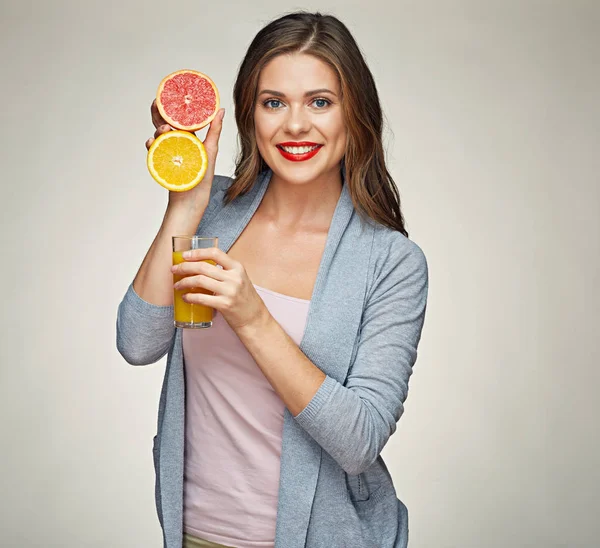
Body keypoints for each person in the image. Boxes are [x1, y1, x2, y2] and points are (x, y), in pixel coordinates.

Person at [117, 10, 428, 548]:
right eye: (274, 102)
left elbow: (359, 441)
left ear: (354, 114)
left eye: (320, 102)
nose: (295, 125)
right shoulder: (213, 214)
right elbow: (137, 343)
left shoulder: (391, 262)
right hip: (198, 536)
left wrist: (252, 316)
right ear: (249, 114)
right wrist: (184, 208)